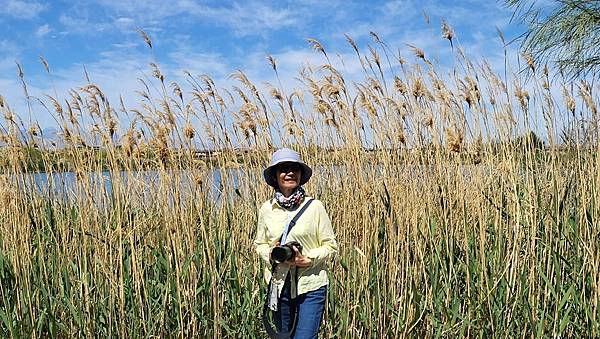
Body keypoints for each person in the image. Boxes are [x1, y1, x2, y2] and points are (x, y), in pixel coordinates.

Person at [254, 148, 338, 339]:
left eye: (294, 168)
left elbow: (331, 246)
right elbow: (259, 243)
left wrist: (309, 260)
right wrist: (271, 253)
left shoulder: (315, 207)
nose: (290, 173)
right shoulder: (266, 209)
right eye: (283, 169)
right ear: (275, 176)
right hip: (278, 285)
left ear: (300, 174)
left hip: (311, 285)